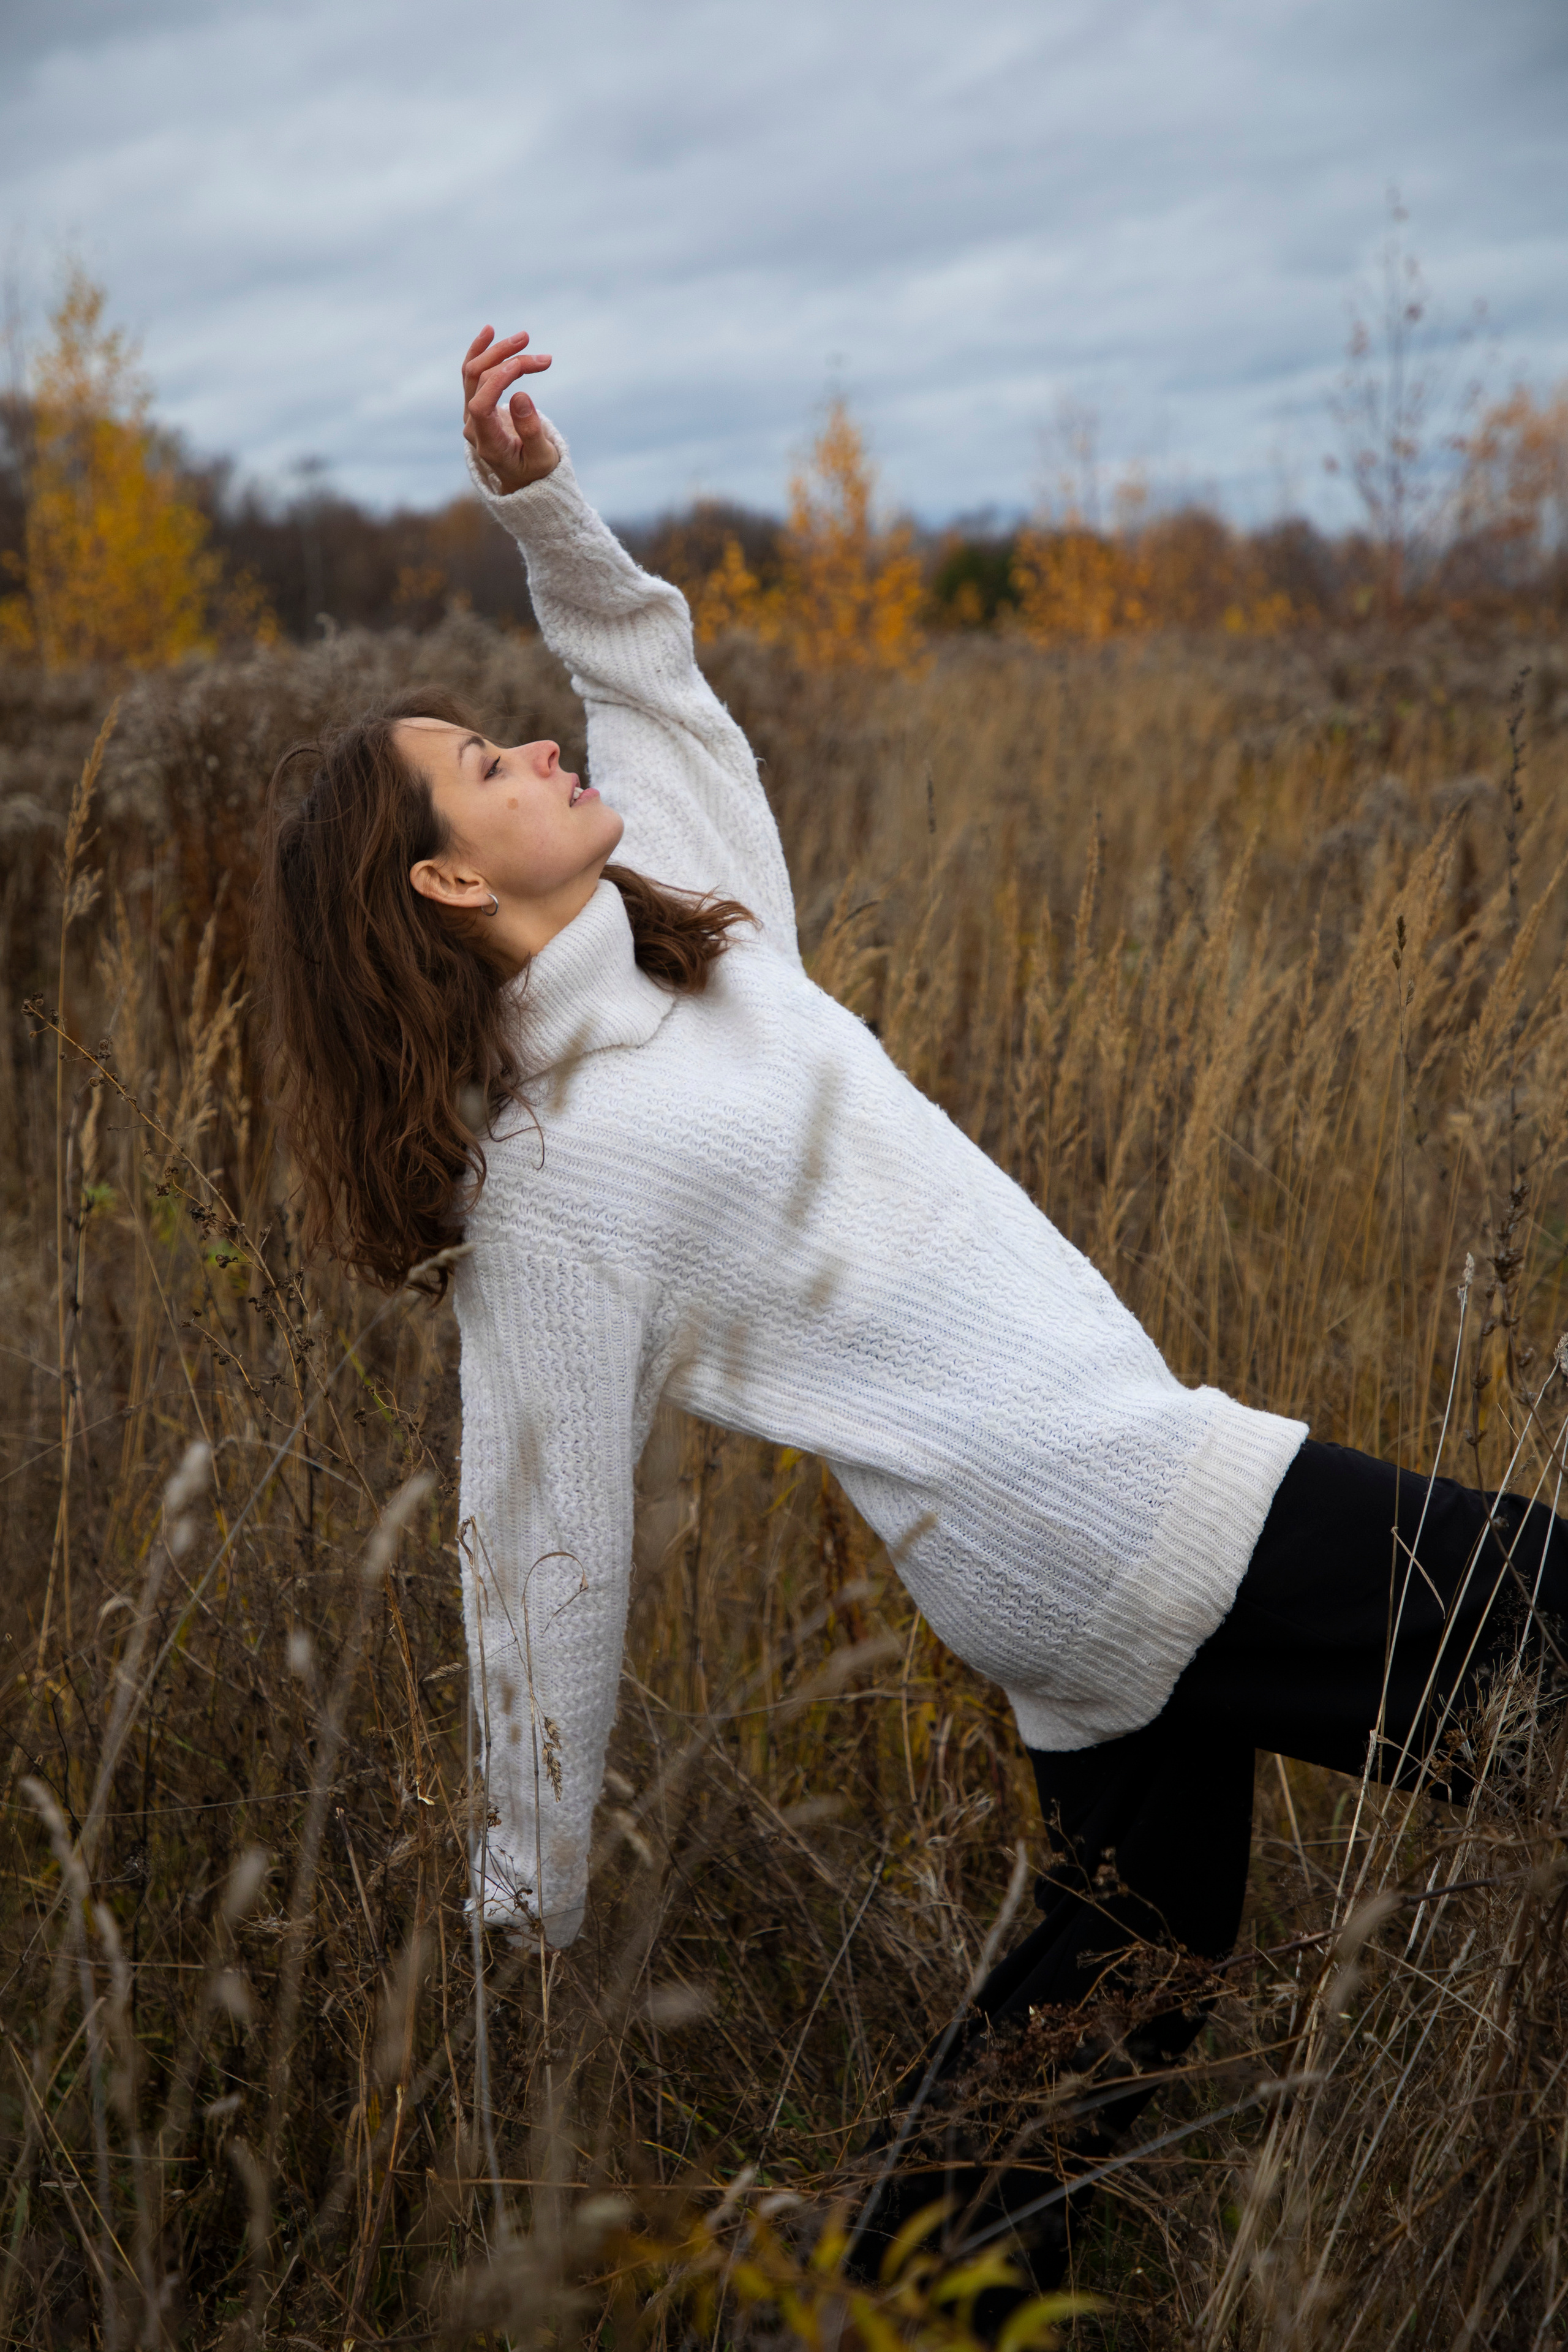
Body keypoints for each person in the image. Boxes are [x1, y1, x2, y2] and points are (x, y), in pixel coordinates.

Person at [259, 326, 1568, 2320]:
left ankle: (902, 2304)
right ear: (442, 876)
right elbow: (535, 1545)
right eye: (482, 766)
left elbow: (651, 687)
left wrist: (541, 505)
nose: (537, 749)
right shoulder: (553, 1185)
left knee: (1115, 1989)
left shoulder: (695, 957)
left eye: (513, 730)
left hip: (1069, 1549)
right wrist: (523, 1907)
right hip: (1116, 1506)